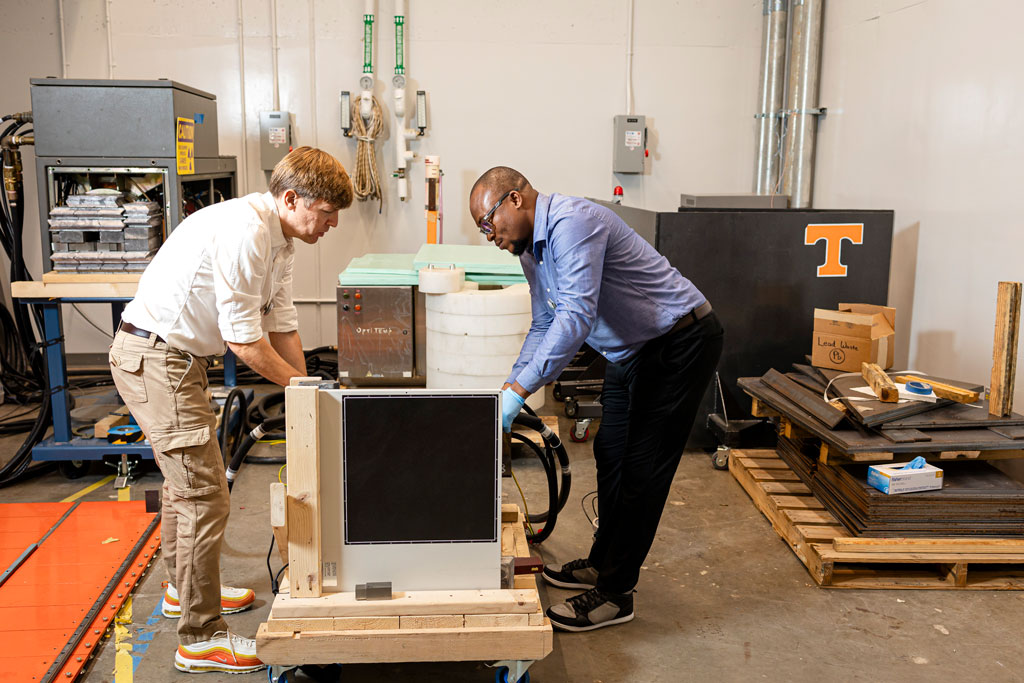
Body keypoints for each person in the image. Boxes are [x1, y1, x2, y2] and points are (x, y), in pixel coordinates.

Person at [109, 147, 353, 673]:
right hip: (155, 357)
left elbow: (282, 324)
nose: (331, 225)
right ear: (292, 199)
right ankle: (199, 636)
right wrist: (308, 392)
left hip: (180, 359)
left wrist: (308, 386)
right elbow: (244, 342)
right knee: (204, 494)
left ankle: (183, 591)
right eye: (327, 213)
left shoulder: (280, 240)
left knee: (187, 486)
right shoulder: (245, 231)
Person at [469, 167, 723, 632]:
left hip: (678, 342)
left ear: (514, 199)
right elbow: (545, 324)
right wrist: (510, 388)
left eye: (488, 223)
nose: (490, 237)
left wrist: (521, 393)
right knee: (610, 454)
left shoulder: (572, 222)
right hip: (631, 351)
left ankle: (616, 593)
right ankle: (602, 561)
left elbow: (575, 318)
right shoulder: (532, 251)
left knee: (643, 471)